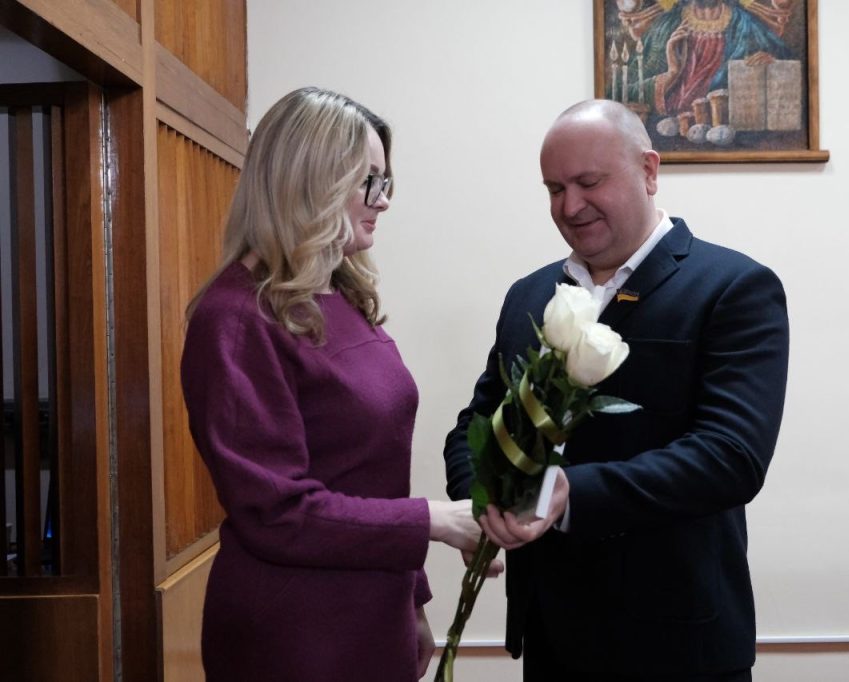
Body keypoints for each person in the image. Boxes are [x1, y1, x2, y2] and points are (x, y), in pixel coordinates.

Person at [444, 99, 789, 681]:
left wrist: (568, 494)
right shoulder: (529, 295)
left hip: (677, 644)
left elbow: (731, 457)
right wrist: (482, 500)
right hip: (550, 634)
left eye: (589, 183)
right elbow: (477, 422)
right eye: (555, 189)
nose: (569, 206)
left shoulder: (733, 288)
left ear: (649, 171)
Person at [181, 87, 494, 682]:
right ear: (311, 181)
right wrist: (434, 520)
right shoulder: (236, 319)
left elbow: (373, 474)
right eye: (369, 181)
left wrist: (412, 598)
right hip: (296, 630)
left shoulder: (341, 294)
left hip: (372, 609)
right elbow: (277, 512)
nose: (384, 200)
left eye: (385, 180)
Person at [617, 0, 793, 117]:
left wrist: (772, 66)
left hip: (728, 127)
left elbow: (789, 72)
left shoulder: (747, 26)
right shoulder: (664, 28)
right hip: (670, 126)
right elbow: (624, 91)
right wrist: (672, 72)